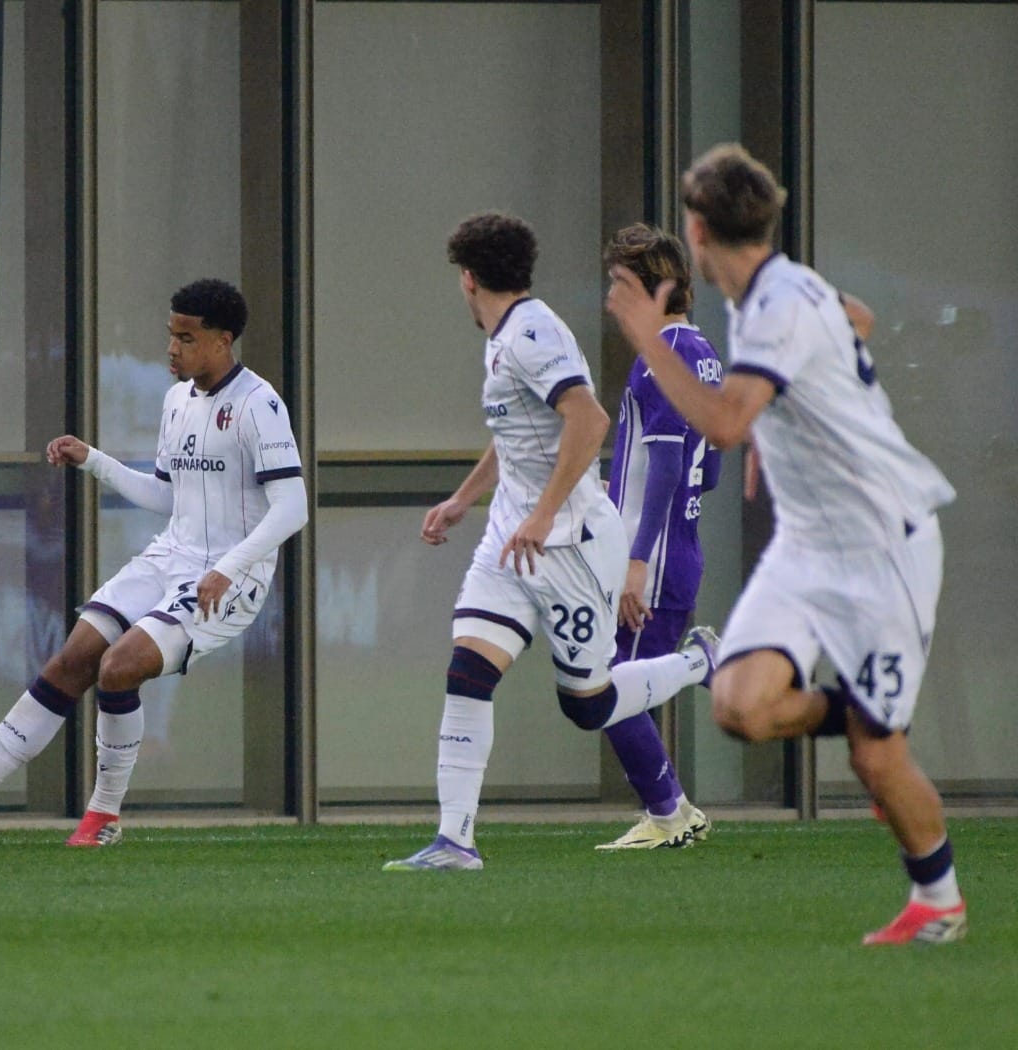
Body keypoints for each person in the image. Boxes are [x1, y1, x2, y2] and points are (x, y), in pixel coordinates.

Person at [605, 143, 965, 945]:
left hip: (886, 543)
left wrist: (645, 332)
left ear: (697, 230)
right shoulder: (778, 288)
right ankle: (868, 718)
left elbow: (725, 423)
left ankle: (938, 902)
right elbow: (860, 319)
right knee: (738, 706)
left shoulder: (770, 306)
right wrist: (790, 412)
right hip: (810, 546)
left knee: (877, 763)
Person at [384, 213, 718, 872]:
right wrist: (463, 499)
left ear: (469, 277)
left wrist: (542, 515)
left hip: (567, 544)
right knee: (469, 673)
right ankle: (455, 841)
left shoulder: (534, 334)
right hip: (513, 542)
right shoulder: (505, 336)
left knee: (588, 705)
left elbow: (587, 421)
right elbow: (515, 434)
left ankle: (700, 662)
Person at [0, 278, 307, 846]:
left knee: (119, 668)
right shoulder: (176, 400)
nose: (172, 348)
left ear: (223, 342)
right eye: (170, 335)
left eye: (186, 337)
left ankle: (103, 816)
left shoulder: (258, 405)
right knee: (73, 659)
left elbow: (292, 507)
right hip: (170, 555)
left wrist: (227, 567)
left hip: (232, 577)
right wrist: (91, 459)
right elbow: (166, 497)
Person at [595, 224, 724, 850]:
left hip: (653, 557)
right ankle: (670, 810)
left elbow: (670, 466)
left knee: (603, 683)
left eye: (621, 286)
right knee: (610, 682)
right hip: (679, 546)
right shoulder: (700, 351)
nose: (612, 300)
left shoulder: (662, 360)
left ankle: (670, 812)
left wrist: (638, 559)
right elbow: (713, 464)